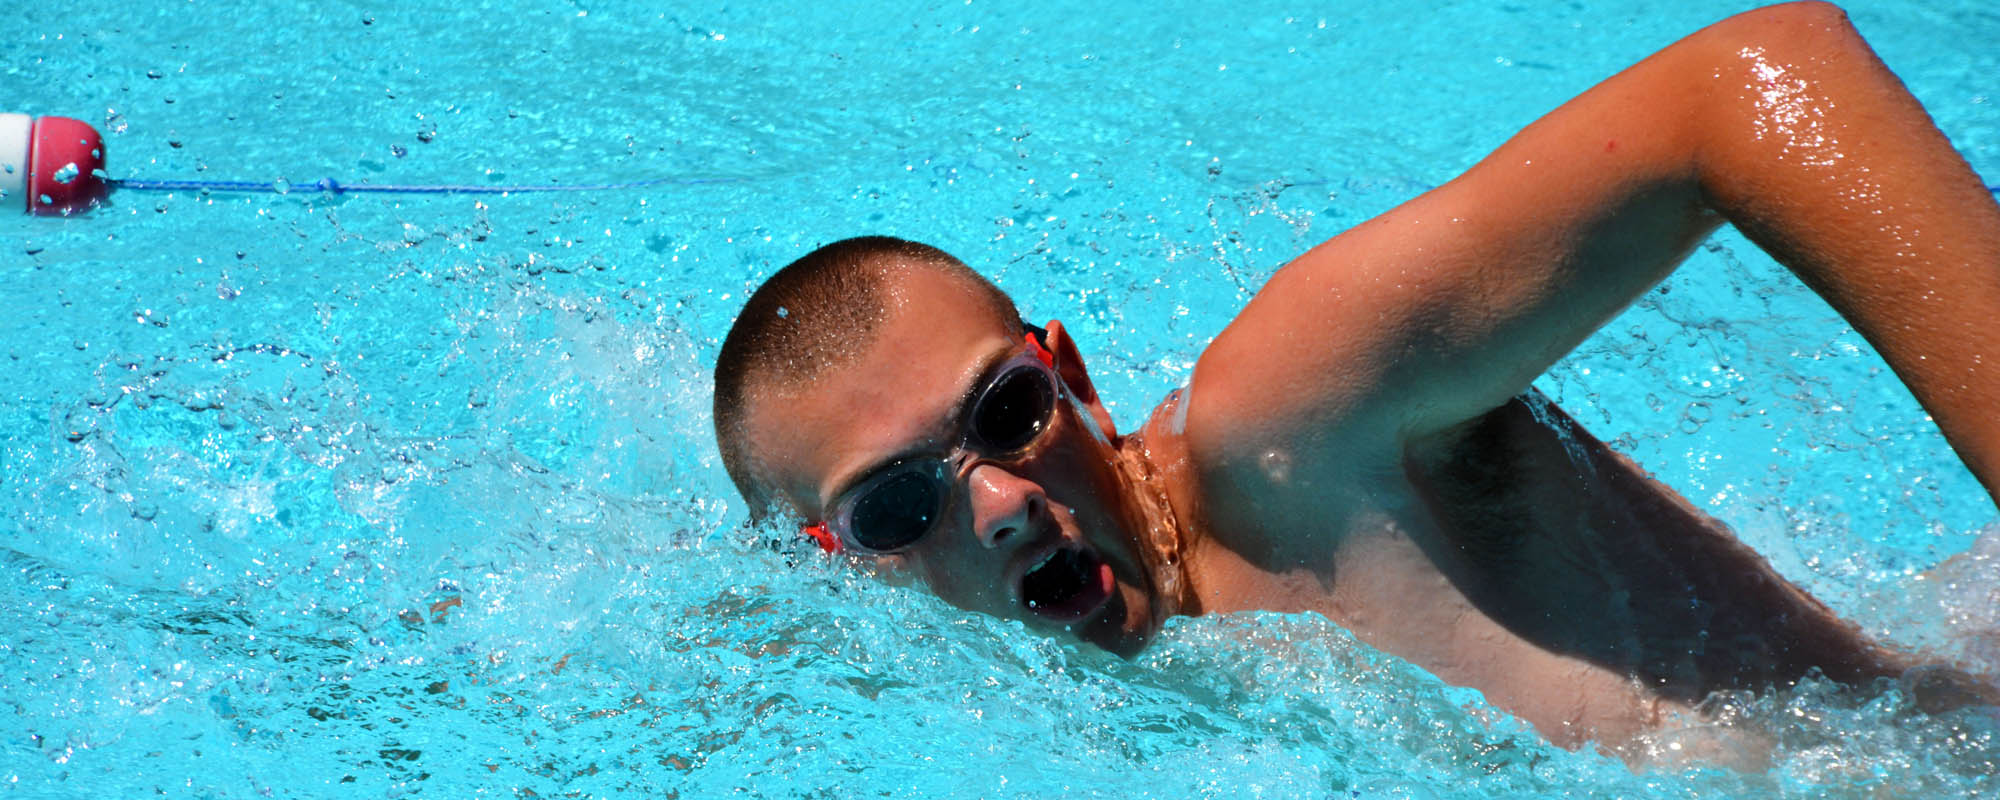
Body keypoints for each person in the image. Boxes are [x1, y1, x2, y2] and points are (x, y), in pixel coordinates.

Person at [710, 2, 2000, 755]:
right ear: (845, 567)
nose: (998, 504)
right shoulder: (1070, 706)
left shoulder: (1289, 422)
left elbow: (1755, 79)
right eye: (898, 506)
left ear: (1076, 381)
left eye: (1007, 413)